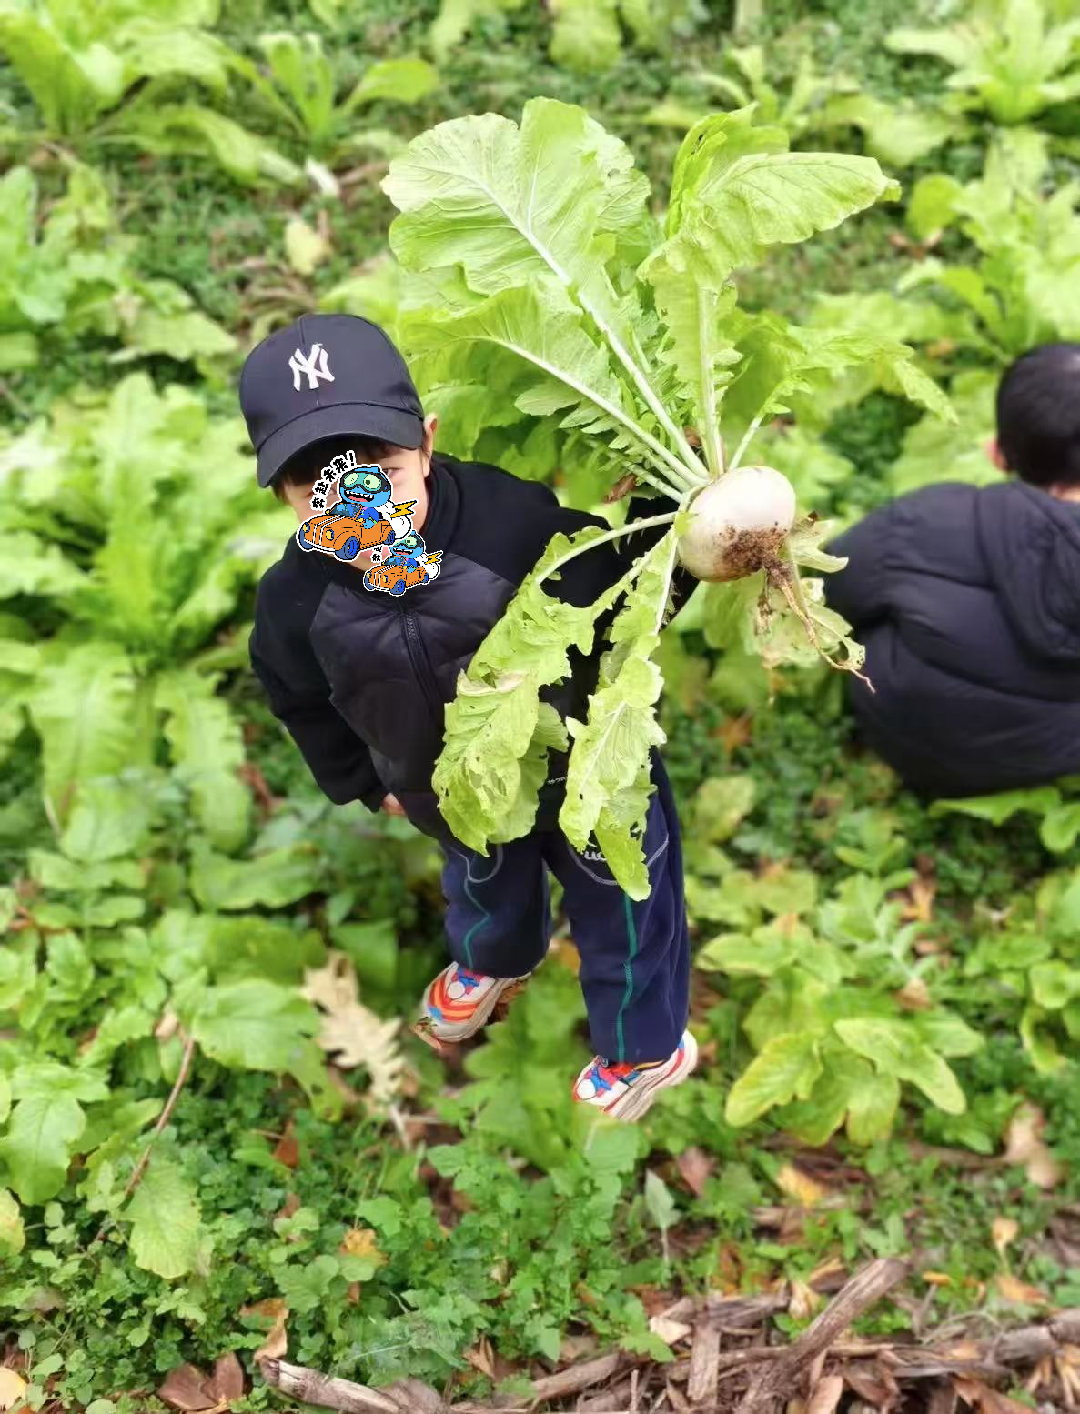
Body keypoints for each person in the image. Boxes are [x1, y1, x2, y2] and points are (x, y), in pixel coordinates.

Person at [241, 313, 698, 1121]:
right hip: (449, 789)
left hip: (585, 768)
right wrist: (364, 780)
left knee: (625, 902)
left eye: (382, 471)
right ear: (283, 496)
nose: (363, 511)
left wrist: (688, 526)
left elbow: (623, 590)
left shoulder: (507, 526)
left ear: (426, 444)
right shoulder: (295, 601)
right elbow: (297, 694)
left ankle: (644, 1047)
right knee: (485, 887)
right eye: (320, 491)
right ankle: (497, 960)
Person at [824, 343, 1080, 798]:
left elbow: (835, 589)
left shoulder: (929, 518)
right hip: (1042, 754)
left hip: (904, 734)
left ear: (997, 453)